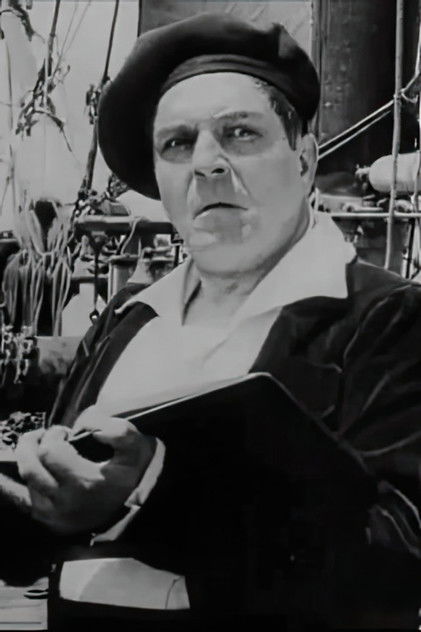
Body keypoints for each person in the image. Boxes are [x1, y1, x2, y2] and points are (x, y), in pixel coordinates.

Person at [12, 12, 421, 628]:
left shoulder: (386, 319)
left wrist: (149, 494)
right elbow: (46, 537)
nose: (206, 163)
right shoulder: (127, 317)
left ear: (305, 160)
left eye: (240, 133)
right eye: (177, 144)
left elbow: (400, 555)